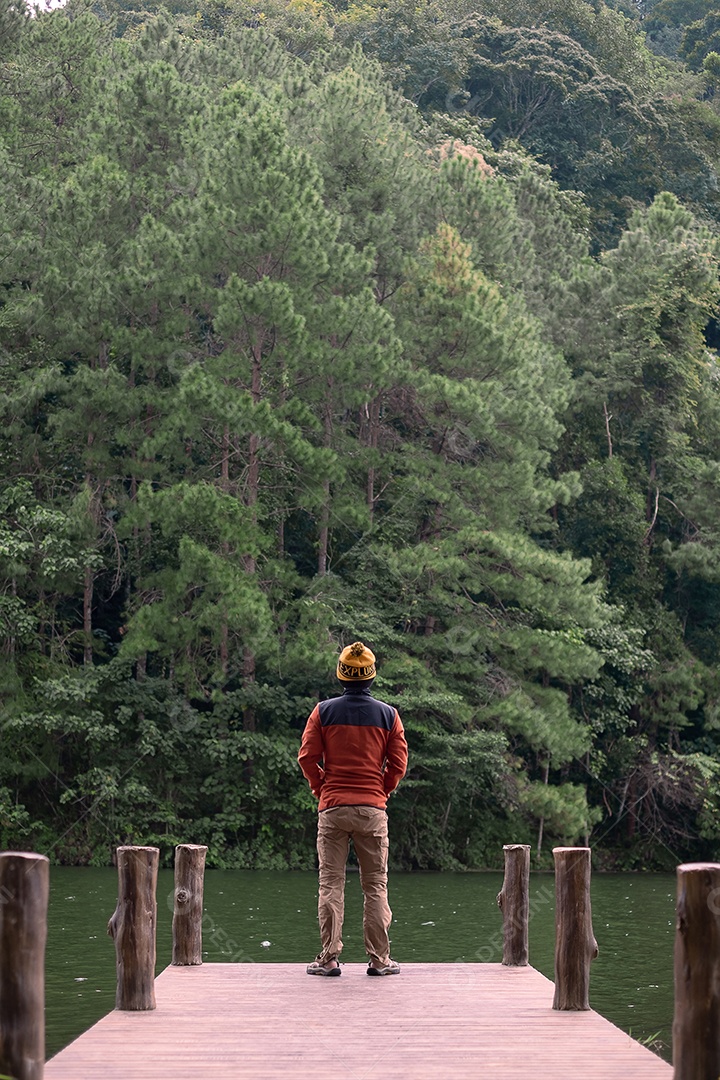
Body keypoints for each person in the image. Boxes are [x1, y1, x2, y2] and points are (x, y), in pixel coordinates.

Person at [298, 641, 408, 976]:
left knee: (331, 883)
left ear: (341, 675)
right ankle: (379, 960)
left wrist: (322, 788)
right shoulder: (389, 715)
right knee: (375, 885)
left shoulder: (323, 711)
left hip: (332, 807)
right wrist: (380, 791)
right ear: (371, 676)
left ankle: (329, 959)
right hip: (372, 809)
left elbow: (307, 758)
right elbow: (399, 763)